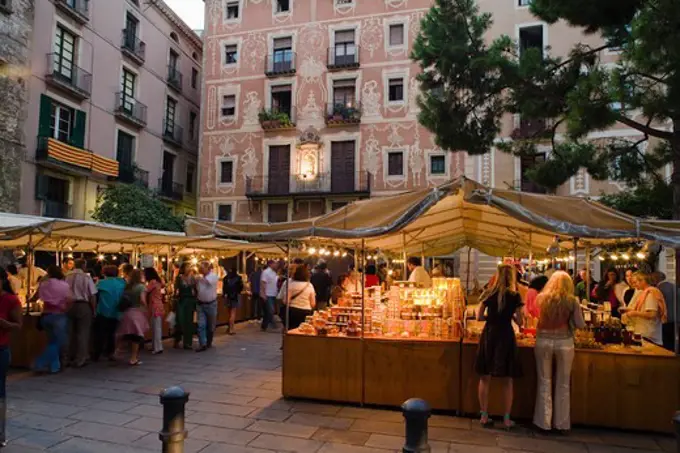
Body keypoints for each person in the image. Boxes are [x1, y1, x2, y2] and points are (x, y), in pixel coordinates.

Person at [532, 271, 586, 433]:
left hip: (543, 340)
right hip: (564, 342)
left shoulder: (541, 299)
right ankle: (561, 423)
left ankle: (543, 422)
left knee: (544, 381)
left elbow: (536, 317)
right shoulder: (572, 301)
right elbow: (580, 324)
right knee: (563, 383)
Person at [475, 264, 523, 429]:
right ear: (512, 278)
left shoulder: (489, 293)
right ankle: (507, 419)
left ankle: (484, 415)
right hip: (506, 335)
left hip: (490, 335)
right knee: (507, 379)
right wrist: (510, 317)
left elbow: (478, 316)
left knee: (485, 377)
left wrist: (491, 316)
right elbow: (520, 321)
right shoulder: (515, 296)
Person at [33, 265, 69, 373]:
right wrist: (66, 308)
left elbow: (35, 297)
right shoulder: (65, 285)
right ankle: (40, 362)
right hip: (59, 315)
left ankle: (54, 366)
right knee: (59, 341)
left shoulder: (43, 284)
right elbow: (70, 299)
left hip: (46, 315)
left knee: (52, 341)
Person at [0, 270, 21, 446]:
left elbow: (18, 325)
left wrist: (5, 324)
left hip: (1, 349)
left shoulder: (10, 300)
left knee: (0, 392)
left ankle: (0, 433)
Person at [65, 259, 97, 368]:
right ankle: (81, 359)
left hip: (69, 305)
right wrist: (94, 309)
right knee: (83, 333)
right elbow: (92, 295)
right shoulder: (86, 277)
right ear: (84, 266)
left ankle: (68, 357)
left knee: (69, 333)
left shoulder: (67, 276)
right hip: (83, 305)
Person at [623, 272, 667, 345]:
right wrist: (629, 310)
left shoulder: (651, 293)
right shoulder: (644, 292)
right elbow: (643, 309)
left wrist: (634, 313)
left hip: (650, 335)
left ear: (643, 280)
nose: (633, 285)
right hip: (643, 333)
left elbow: (652, 314)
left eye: (635, 282)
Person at [92, 265, 125, 362]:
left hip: (103, 310)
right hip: (116, 311)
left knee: (99, 334)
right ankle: (110, 352)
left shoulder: (101, 283)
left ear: (104, 273)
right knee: (112, 333)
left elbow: (94, 294)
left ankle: (97, 354)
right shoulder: (121, 283)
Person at [116, 269, 148, 365]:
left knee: (125, 334)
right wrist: (146, 307)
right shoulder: (141, 287)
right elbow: (142, 300)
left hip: (127, 312)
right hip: (137, 312)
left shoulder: (128, 287)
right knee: (136, 336)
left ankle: (116, 352)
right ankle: (133, 358)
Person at [280, 265, 316, 330]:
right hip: (306, 312)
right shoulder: (310, 285)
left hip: (292, 312)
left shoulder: (291, 285)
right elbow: (313, 303)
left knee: (291, 330)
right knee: (303, 331)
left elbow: (285, 301)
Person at [196, 261, 219, 351]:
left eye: (202, 267)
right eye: (200, 267)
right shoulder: (200, 277)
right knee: (201, 325)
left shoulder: (213, 276)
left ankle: (209, 341)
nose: (200, 269)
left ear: (208, 268)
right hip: (200, 304)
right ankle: (203, 344)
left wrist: (198, 277)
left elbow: (207, 282)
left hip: (211, 304)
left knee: (211, 326)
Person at [173, 263, 196, 350]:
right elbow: (176, 290)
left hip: (190, 301)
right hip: (181, 301)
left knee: (189, 323)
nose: (189, 269)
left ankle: (187, 343)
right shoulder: (179, 278)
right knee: (180, 321)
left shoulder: (192, 278)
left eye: (189, 267)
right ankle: (177, 340)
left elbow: (195, 289)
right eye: (187, 267)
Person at [144, 268, 165, 354]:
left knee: (156, 327)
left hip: (154, 306)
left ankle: (157, 348)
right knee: (156, 327)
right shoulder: (158, 281)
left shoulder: (152, 282)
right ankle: (156, 346)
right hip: (159, 305)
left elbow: (145, 290)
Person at [653, 272, 676, 351]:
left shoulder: (658, 289)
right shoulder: (674, 286)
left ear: (655, 279)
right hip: (676, 319)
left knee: (666, 345)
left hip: (665, 320)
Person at [223, 268, 244, 335]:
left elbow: (224, 288)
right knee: (233, 313)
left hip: (227, 297)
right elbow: (241, 287)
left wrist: (224, 294)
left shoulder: (226, 278)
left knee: (228, 313)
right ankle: (231, 329)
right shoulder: (238, 278)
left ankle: (229, 327)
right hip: (235, 297)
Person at [260, 260, 279, 332]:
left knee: (267, 311)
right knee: (271, 310)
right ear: (271, 264)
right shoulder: (266, 272)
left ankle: (264, 326)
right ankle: (273, 325)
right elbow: (263, 283)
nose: (276, 265)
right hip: (268, 294)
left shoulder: (274, 273)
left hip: (273, 294)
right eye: (275, 263)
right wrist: (263, 294)